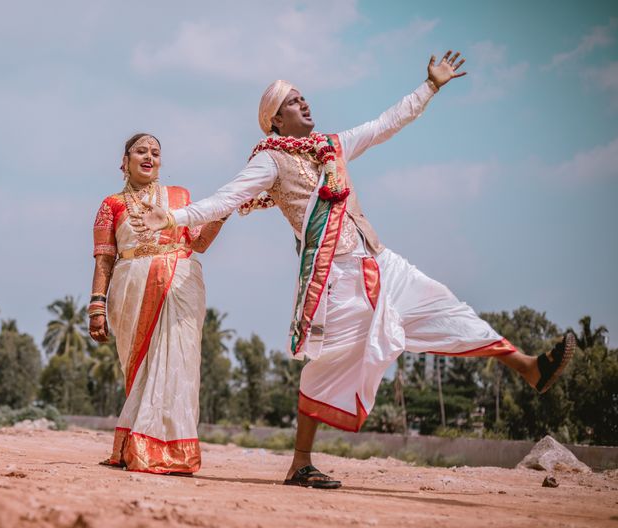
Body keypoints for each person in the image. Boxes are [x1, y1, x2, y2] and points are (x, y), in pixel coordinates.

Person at [130, 52, 575, 488]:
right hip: (336, 278)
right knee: (325, 366)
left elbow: (384, 125)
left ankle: (528, 367)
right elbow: (226, 198)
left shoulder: (332, 147)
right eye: (292, 101)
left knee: (444, 305)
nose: (304, 104)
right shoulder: (269, 160)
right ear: (276, 121)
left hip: (378, 260)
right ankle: (299, 463)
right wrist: (174, 219)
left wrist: (431, 87)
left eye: (303, 98)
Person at [90, 133, 228, 474]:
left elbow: (200, 243)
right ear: (125, 161)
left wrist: (223, 213)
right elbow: (104, 260)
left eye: (155, 152)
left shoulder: (180, 198)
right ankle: (136, 447)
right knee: (141, 370)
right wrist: (96, 305)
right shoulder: (111, 205)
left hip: (179, 286)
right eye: (141, 151)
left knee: (179, 365)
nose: (149, 156)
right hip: (131, 290)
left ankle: (172, 452)